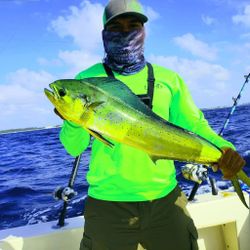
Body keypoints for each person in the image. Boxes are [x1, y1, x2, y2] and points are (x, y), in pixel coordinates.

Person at [56, 0, 246, 249]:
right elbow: (73, 147)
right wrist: (72, 120)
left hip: (166, 201)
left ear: (143, 31)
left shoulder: (169, 79)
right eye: (117, 27)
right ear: (104, 33)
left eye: (132, 25)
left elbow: (194, 125)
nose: (125, 33)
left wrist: (224, 150)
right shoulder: (86, 80)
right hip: (107, 205)